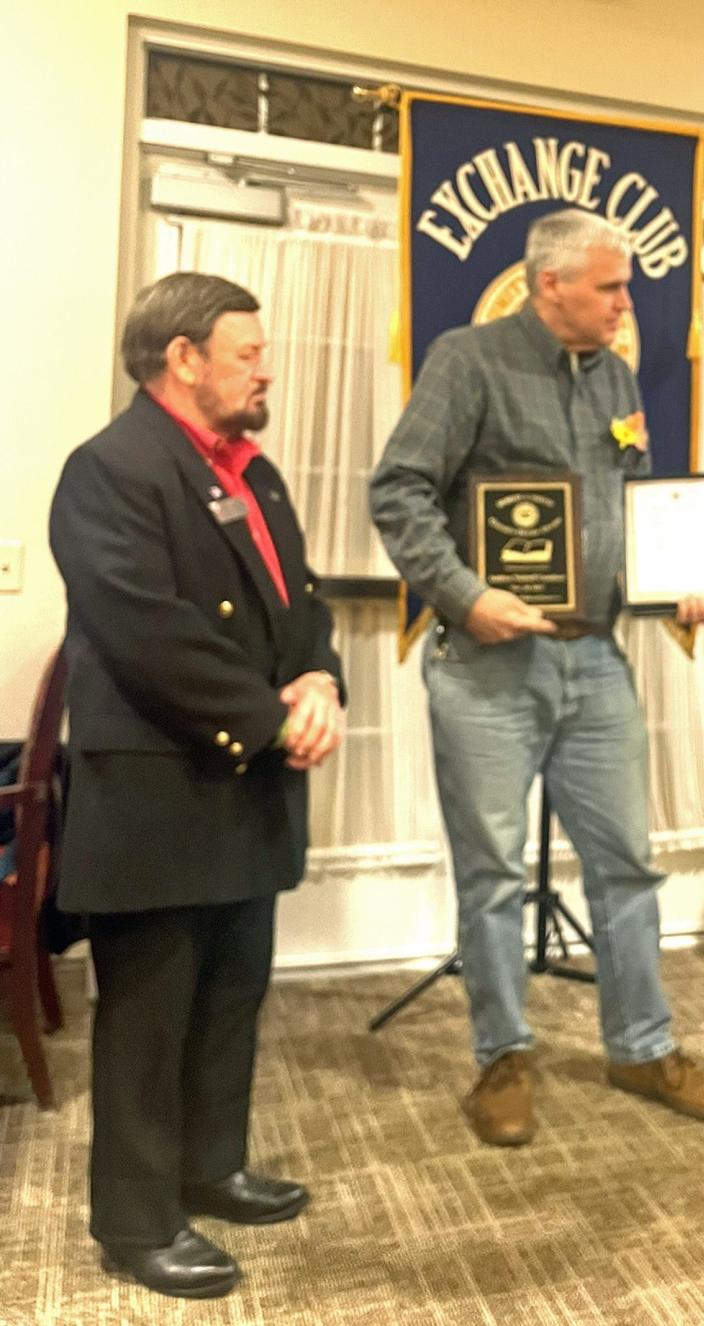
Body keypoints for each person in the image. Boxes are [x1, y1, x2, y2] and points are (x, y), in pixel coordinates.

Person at [370, 208, 704, 1148]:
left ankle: (642, 1045)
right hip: (489, 664)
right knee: (493, 874)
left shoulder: (615, 374)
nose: (627, 305)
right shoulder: (469, 359)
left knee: (627, 866)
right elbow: (400, 489)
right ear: (551, 285)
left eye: (627, 287)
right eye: (612, 287)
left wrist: (676, 588)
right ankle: (502, 1058)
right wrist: (462, 595)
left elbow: (631, 507)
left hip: (596, 659)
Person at [49, 272, 346, 1298]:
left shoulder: (251, 473)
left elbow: (299, 605)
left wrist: (320, 678)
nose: (267, 368)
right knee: (147, 1017)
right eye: (247, 352)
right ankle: (134, 1223)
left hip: (239, 787)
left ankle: (209, 1167)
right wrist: (276, 717)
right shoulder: (110, 470)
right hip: (159, 793)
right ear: (183, 359)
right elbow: (146, 634)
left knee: (230, 995)